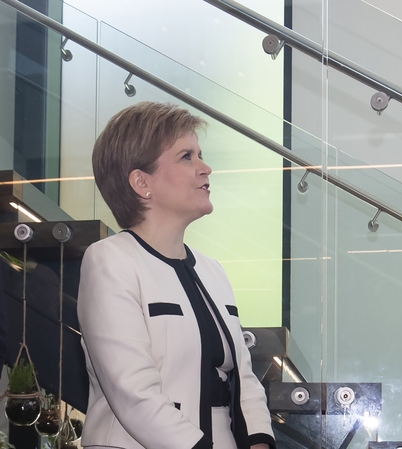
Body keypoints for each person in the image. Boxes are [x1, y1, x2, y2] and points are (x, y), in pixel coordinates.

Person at [78, 101, 276, 449]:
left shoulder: (213, 270)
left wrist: (259, 442)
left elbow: (244, 379)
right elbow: (134, 393)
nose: (206, 168)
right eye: (187, 157)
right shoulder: (109, 260)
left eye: (200, 154)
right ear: (142, 182)